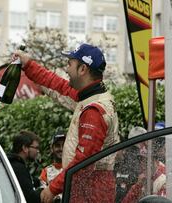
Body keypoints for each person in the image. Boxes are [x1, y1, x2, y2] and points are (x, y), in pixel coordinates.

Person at [14, 43, 120, 203]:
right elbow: (57, 85)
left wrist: (52, 188)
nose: (66, 69)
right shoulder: (90, 96)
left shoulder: (94, 110)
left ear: (82, 69)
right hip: (91, 187)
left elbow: (83, 162)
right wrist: (28, 65)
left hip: (91, 191)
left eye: (69, 64)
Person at [8, 130, 42, 203]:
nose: (38, 151)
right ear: (25, 148)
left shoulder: (12, 164)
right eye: (36, 148)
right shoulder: (19, 168)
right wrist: (43, 191)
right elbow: (31, 198)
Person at [39, 132, 65, 202]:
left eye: (64, 145)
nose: (61, 149)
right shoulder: (46, 172)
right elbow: (43, 197)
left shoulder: (74, 169)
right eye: (57, 145)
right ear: (52, 148)